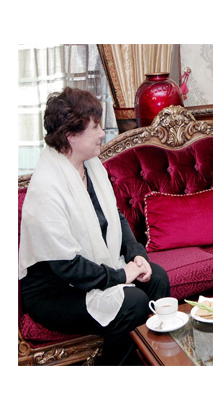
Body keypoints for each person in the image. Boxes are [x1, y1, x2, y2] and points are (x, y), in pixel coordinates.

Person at [19, 87, 170, 365]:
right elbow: (68, 267)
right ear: (71, 135)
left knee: (157, 278)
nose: (103, 133)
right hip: (56, 292)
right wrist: (121, 275)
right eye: (96, 126)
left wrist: (138, 256)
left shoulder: (92, 166)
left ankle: (144, 365)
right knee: (134, 301)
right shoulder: (47, 187)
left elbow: (117, 218)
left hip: (90, 274)